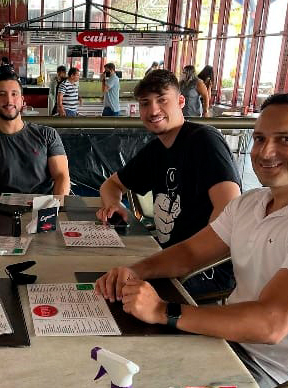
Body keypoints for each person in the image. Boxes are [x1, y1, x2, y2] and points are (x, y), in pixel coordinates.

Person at [95, 91, 288, 388]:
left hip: (280, 378)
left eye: (285, 140)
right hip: (225, 343)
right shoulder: (251, 203)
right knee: (124, 386)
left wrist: (164, 311)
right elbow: (190, 254)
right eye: (259, 138)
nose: (265, 152)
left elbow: (271, 323)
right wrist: (134, 270)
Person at [96, 70, 241, 297]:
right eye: (145, 103)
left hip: (206, 268)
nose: (153, 110)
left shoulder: (204, 141)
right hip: (167, 258)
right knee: (101, 277)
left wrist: (166, 263)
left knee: (117, 293)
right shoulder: (156, 150)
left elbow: (229, 213)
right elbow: (111, 185)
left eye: (162, 100)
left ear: (181, 101)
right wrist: (115, 205)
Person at [0, 72, 70, 196]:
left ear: (22, 100)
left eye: (14, 94)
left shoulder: (48, 135)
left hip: (45, 206)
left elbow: (62, 176)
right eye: (2, 94)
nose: (9, 100)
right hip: (2, 207)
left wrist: (56, 205)